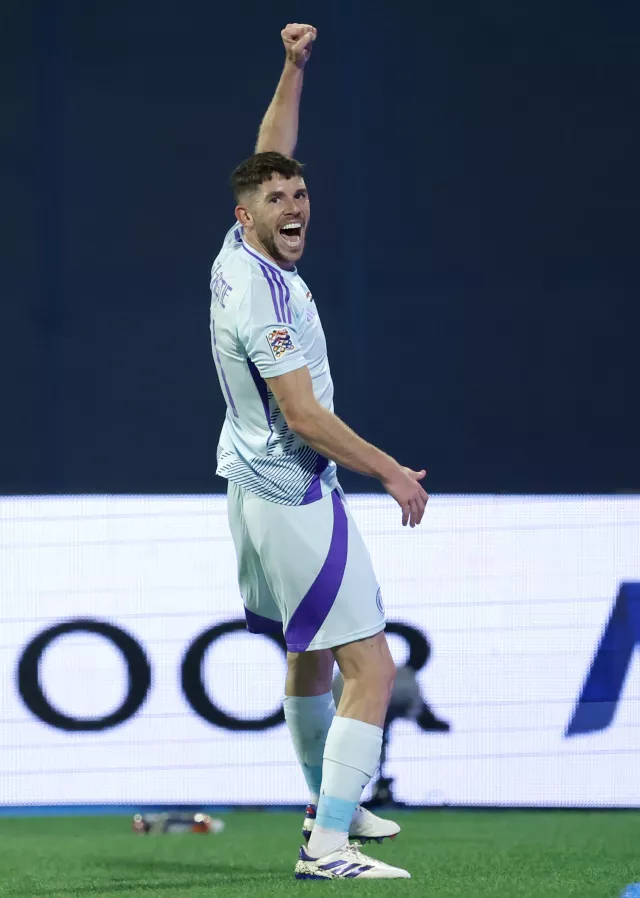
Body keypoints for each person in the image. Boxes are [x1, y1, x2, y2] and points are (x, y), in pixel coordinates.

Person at [209, 23, 428, 880]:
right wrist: (391, 472)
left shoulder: (234, 250)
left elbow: (269, 154)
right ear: (247, 215)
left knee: (307, 656)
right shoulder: (262, 300)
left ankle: (326, 807)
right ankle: (329, 846)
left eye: (300, 197)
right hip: (295, 492)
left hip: (251, 485)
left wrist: (292, 69)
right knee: (370, 667)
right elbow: (302, 415)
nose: (294, 207)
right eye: (279, 202)